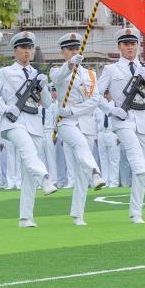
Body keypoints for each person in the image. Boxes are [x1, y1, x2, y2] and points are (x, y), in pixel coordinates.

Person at [0, 31, 59, 227]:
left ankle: (26, 217)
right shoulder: (5, 73)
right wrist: (5, 109)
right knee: (27, 150)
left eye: (30, 48)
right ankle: (45, 178)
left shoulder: (36, 74)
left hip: (34, 123)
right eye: (24, 48)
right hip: (13, 122)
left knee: (28, 172)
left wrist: (43, 86)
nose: (27, 51)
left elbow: (47, 104)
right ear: (15, 50)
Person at [95, 27, 145, 223]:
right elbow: (96, 95)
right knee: (134, 152)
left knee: (141, 161)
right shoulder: (111, 69)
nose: (130, 47)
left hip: (142, 119)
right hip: (122, 118)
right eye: (126, 44)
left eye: (133, 43)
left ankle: (136, 212)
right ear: (119, 46)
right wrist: (111, 110)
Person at [49, 32, 107, 225]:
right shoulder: (57, 71)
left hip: (85, 122)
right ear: (63, 52)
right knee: (80, 144)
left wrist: (73, 110)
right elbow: (57, 78)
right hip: (66, 124)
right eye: (70, 49)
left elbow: (94, 100)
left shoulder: (90, 74)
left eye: (76, 49)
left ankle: (78, 214)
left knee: (81, 172)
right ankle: (96, 172)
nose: (74, 52)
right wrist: (69, 65)